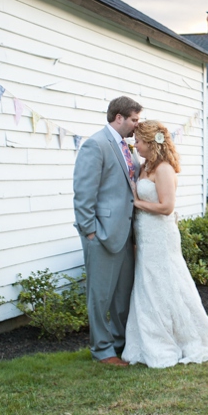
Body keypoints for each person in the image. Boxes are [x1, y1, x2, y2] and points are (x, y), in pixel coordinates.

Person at [122, 120, 208, 368]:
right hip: (144, 234)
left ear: (151, 142)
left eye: (138, 141)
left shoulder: (163, 169)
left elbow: (166, 207)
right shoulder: (144, 166)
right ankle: (151, 338)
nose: (135, 145)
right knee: (148, 286)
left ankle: (187, 337)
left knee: (168, 284)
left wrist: (136, 203)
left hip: (161, 235)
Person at [72, 96, 142, 366]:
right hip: (101, 236)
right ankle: (102, 351)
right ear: (119, 117)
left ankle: (121, 345)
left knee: (123, 297)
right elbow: (83, 193)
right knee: (100, 297)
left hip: (126, 234)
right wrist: (90, 232)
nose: (137, 125)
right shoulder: (96, 145)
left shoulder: (128, 148)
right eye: (134, 119)